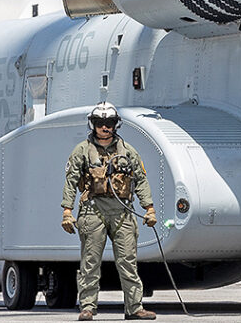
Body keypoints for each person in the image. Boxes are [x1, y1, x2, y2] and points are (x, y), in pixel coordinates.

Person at [61, 102, 158, 321]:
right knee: (90, 261)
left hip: (122, 211)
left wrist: (149, 208)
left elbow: (140, 180)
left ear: (116, 125)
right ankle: (87, 306)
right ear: (93, 124)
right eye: (99, 123)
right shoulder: (82, 151)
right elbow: (71, 181)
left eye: (109, 123)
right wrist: (67, 211)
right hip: (92, 211)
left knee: (128, 261)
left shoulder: (128, 150)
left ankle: (134, 307)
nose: (105, 127)